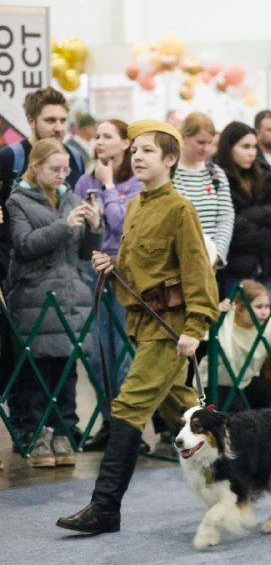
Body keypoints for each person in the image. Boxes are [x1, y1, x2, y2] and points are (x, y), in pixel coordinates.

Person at [57, 120, 219, 535]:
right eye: (135, 151)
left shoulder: (180, 208)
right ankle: (240, 479)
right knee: (186, 413)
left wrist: (196, 326)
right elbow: (136, 266)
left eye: (148, 150)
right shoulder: (137, 205)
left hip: (170, 330)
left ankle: (105, 507)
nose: (138, 157)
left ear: (170, 159)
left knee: (128, 408)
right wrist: (112, 266)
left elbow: (200, 274)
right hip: (143, 324)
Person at [5, 138, 102, 467]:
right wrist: (64, 225)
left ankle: (64, 431)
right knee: (36, 371)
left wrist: (95, 225)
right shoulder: (17, 201)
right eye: (55, 169)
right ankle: (36, 435)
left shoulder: (72, 198)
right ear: (36, 167)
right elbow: (24, 244)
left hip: (73, 296)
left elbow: (85, 249)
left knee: (67, 370)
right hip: (35, 297)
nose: (63, 175)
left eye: (66, 169)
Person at [74, 120, 143, 451]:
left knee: (125, 356)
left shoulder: (136, 183)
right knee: (97, 353)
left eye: (107, 137)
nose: (99, 142)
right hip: (92, 272)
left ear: (126, 143)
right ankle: (107, 421)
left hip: (126, 275)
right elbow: (80, 235)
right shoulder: (84, 181)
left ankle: (130, 430)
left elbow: (124, 226)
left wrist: (110, 184)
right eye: (97, 136)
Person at [0, 87, 86, 281]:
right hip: (19, 272)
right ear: (31, 121)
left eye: (63, 120)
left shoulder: (75, 158)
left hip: (67, 272)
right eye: (50, 120)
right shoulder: (10, 157)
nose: (58, 127)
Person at [199, 280, 271, 412]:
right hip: (214, 385)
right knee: (236, 410)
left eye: (267, 306)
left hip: (245, 382)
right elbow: (226, 355)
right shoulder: (225, 323)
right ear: (240, 309)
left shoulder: (267, 325)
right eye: (259, 307)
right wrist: (226, 316)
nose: (265, 312)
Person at [215, 121, 271, 300]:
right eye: (245, 147)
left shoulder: (263, 173)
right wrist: (265, 232)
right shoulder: (218, 178)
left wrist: (247, 215)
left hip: (267, 265)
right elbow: (231, 225)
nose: (252, 153)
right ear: (229, 148)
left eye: (254, 147)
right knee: (238, 324)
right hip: (236, 267)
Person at [173, 112, 235, 270]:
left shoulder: (216, 174)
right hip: (176, 263)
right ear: (184, 137)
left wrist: (217, 256)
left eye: (210, 143)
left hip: (209, 264)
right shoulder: (168, 173)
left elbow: (225, 217)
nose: (206, 149)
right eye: (200, 142)